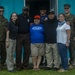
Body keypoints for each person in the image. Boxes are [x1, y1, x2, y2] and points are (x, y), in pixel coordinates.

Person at [16, 6, 32, 71]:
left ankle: (25, 65)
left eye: (26, 10)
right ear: (22, 10)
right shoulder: (18, 17)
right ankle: (18, 65)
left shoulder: (30, 18)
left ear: (28, 11)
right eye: (24, 10)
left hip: (27, 35)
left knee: (27, 51)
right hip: (19, 35)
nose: (25, 11)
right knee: (18, 51)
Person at [64, 4, 75, 68]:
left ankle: (72, 63)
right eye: (65, 8)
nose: (66, 9)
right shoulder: (62, 16)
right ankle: (65, 63)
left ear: (69, 9)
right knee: (64, 50)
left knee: (72, 50)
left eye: (67, 8)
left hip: (71, 36)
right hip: (63, 36)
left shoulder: (73, 17)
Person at [0, 6, 8, 70]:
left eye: (2, 11)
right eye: (0, 11)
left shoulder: (5, 20)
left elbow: (7, 30)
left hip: (3, 39)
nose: (1, 12)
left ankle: (1, 65)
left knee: (3, 53)